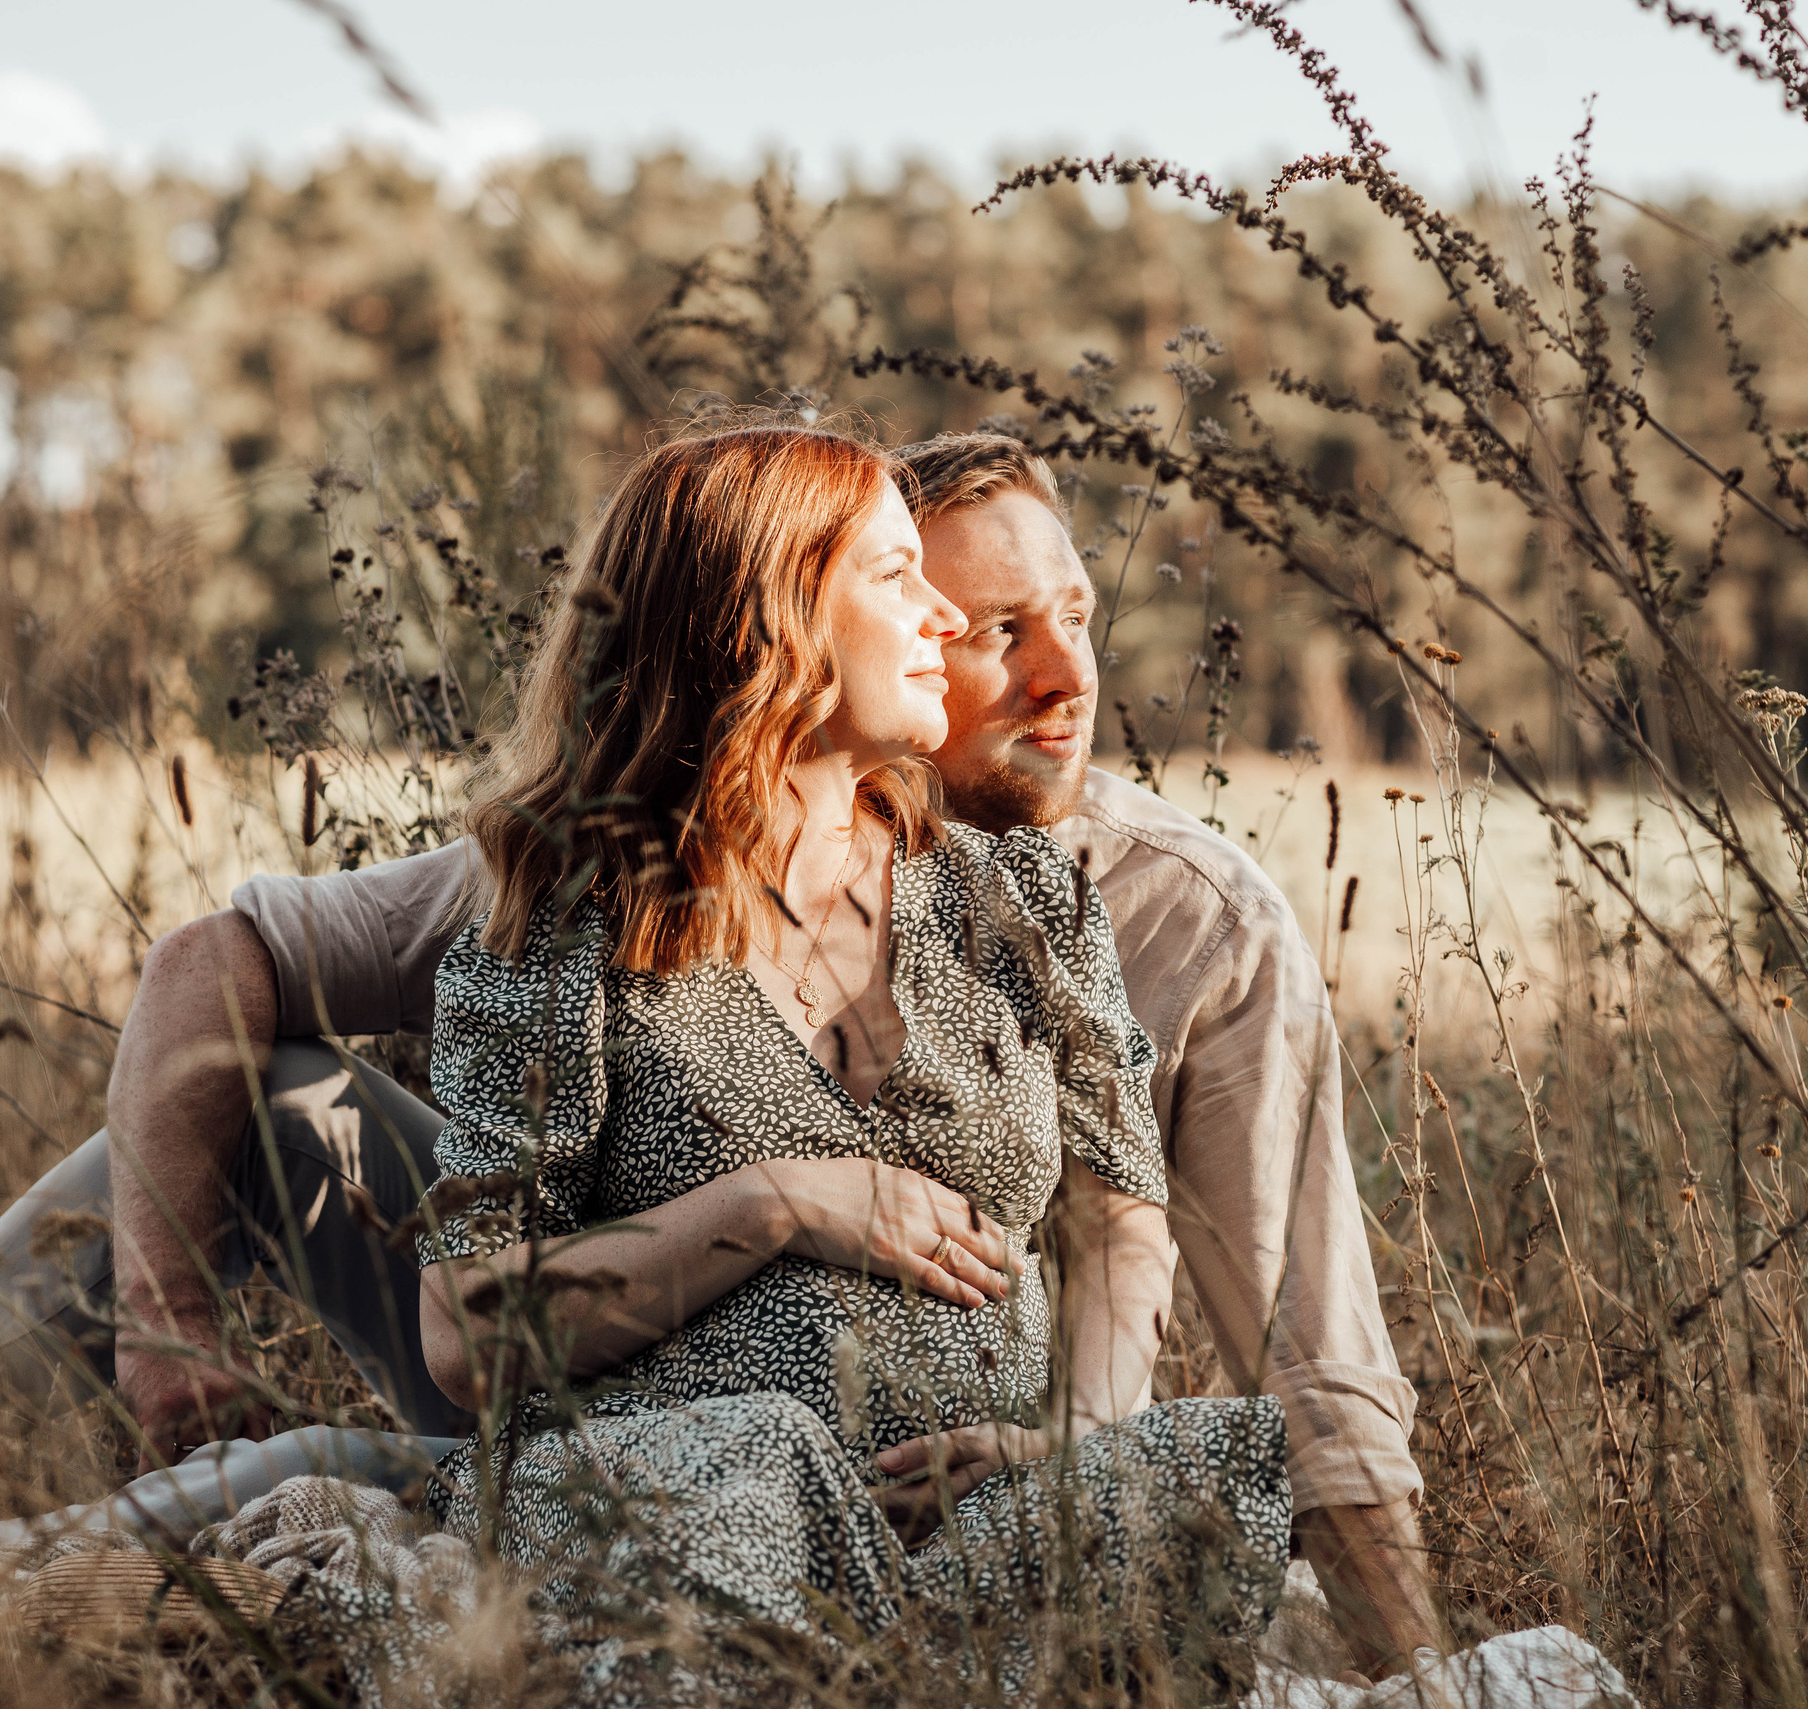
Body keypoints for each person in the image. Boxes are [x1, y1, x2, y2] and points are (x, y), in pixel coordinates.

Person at [0, 431, 1438, 1676]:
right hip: (592, 1370)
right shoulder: (589, 871)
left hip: (927, 1455)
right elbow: (220, 959)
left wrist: (1117, 1478)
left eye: (1070, 614)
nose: (1057, 675)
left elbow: (1250, 1303)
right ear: (788, 635)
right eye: (980, 617)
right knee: (282, 1107)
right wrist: (171, 1315)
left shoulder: (1164, 912)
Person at [398, 424, 1285, 1696]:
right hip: (692, 1510)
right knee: (752, 1470)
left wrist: (1070, 1433)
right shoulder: (570, 929)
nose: (941, 613)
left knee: (1190, 1476)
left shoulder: (1018, 897)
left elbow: (1116, 1215)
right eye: (892, 575)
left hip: (985, 1509)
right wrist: (772, 1205)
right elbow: (468, 1332)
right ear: (760, 625)